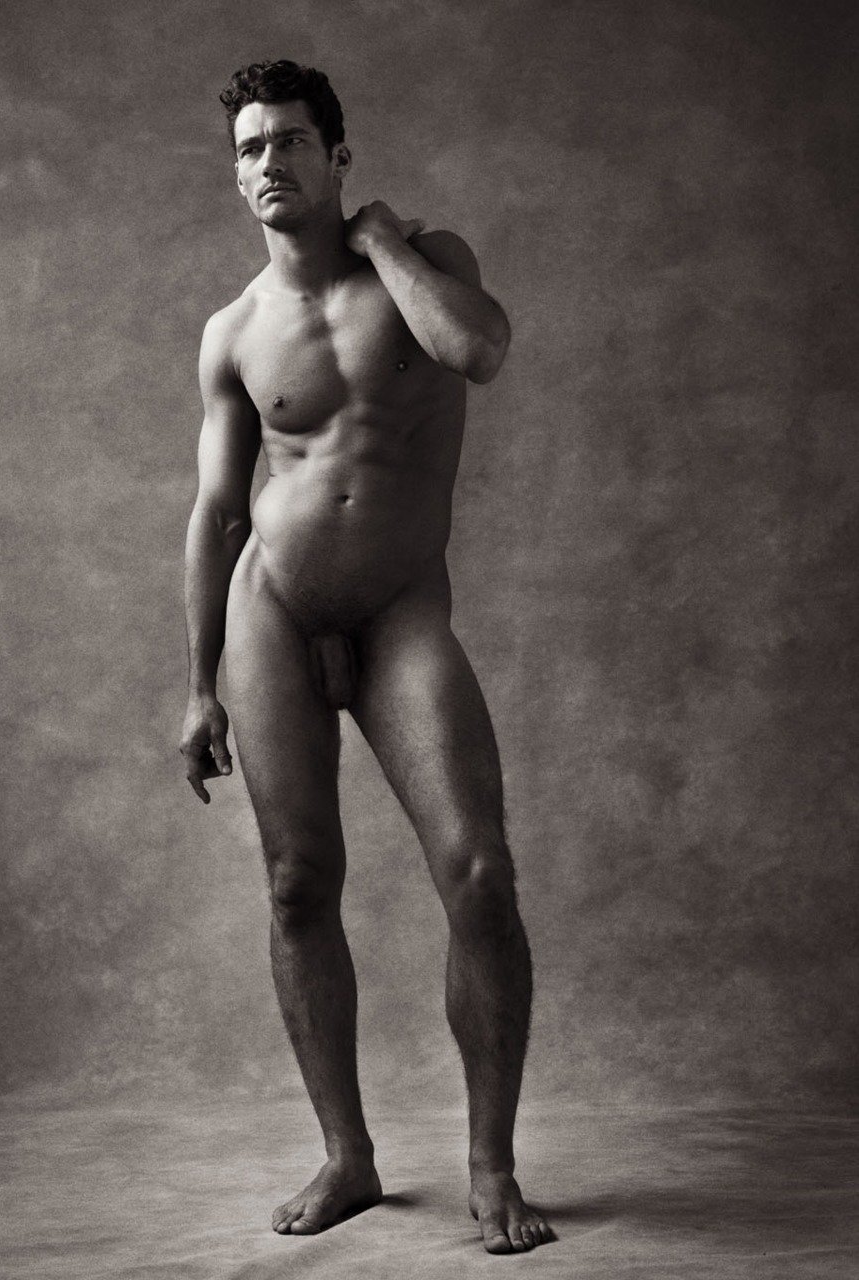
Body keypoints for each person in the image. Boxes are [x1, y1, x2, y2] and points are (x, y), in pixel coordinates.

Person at [180, 59, 554, 1255]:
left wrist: (383, 239)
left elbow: (477, 350)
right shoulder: (233, 331)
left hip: (397, 607)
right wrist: (195, 685)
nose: (268, 162)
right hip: (272, 613)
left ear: (337, 155)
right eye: (249, 147)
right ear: (234, 174)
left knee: (478, 871)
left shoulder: (424, 259)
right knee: (297, 882)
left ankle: (490, 1164)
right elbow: (215, 511)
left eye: (291, 140)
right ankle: (346, 1154)